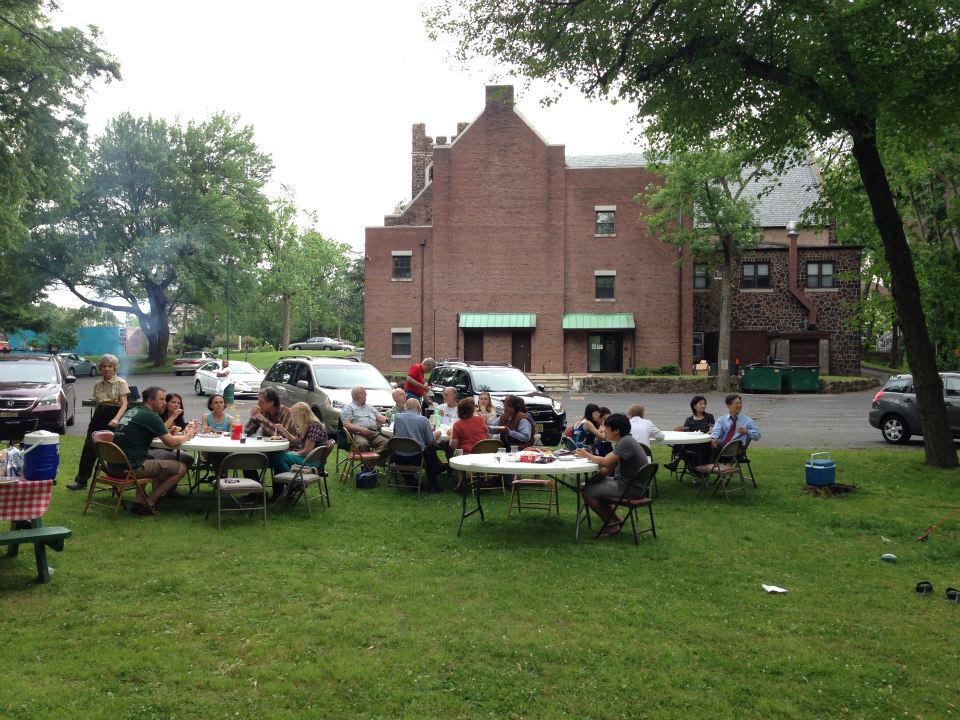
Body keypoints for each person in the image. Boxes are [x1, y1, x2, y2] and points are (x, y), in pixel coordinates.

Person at [110, 386, 197, 514]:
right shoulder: (150, 416)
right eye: (161, 399)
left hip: (113, 465)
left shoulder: (133, 411)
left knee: (152, 458)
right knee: (181, 467)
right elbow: (171, 443)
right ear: (150, 400)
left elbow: (148, 433)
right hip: (131, 467)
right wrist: (189, 435)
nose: (165, 403)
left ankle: (138, 503)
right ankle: (149, 503)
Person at [575, 413, 649, 537]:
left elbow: (606, 462)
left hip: (630, 488)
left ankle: (611, 525)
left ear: (617, 430)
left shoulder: (625, 443)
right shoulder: (626, 441)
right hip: (630, 485)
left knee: (587, 493)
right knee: (591, 488)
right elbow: (608, 469)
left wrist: (588, 456)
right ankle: (616, 521)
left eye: (607, 428)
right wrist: (591, 482)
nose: (604, 430)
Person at [67, 354, 129, 491]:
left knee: (113, 449)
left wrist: (116, 419)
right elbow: (98, 402)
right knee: (89, 447)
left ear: (115, 368)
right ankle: (81, 481)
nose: (107, 369)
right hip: (99, 414)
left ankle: (116, 479)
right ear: (101, 368)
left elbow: (124, 404)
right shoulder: (97, 384)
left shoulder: (121, 383)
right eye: (104, 366)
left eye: (110, 366)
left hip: (114, 414)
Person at [392, 397, 444, 491]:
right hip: (416, 458)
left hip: (398, 456)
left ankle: (411, 480)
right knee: (430, 451)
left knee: (427, 451)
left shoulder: (397, 417)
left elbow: (395, 434)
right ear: (419, 408)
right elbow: (429, 441)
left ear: (405, 407)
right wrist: (437, 435)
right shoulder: (423, 420)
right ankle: (433, 484)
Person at [269, 402, 329, 475]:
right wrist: (283, 430)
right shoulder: (308, 425)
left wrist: (293, 453)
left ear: (301, 416)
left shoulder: (314, 427)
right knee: (278, 457)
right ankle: (287, 482)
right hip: (309, 459)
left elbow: (306, 451)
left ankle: (291, 481)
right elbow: (295, 441)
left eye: (294, 416)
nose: (293, 419)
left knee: (279, 457)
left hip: (313, 462)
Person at [665, 395, 715, 471]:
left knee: (684, 448)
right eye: (700, 403)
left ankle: (677, 461)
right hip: (691, 443)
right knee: (679, 444)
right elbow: (686, 433)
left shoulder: (709, 417)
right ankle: (691, 467)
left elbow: (711, 430)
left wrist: (701, 436)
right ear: (694, 406)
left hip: (704, 443)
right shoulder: (689, 420)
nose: (703, 405)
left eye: (704, 404)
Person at [148, 392, 195, 473]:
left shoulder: (178, 419)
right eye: (173, 402)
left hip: (171, 448)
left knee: (189, 459)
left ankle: (173, 480)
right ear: (166, 404)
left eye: (179, 403)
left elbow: (184, 432)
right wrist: (173, 416)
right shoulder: (159, 417)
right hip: (157, 448)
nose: (176, 405)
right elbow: (160, 430)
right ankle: (168, 476)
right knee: (177, 459)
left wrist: (189, 428)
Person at [340, 385, 389, 455]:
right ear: (357, 396)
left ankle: (370, 463)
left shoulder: (369, 406)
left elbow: (380, 417)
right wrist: (361, 429)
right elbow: (346, 424)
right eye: (364, 393)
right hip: (358, 434)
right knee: (362, 444)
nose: (366, 394)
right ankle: (370, 464)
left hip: (374, 433)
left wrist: (390, 421)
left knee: (387, 443)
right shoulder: (348, 408)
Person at [710, 394, 761, 459]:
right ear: (728, 405)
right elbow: (715, 433)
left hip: (737, 449)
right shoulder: (722, 419)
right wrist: (713, 441)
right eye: (736, 403)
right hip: (722, 447)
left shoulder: (747, 421)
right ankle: (702, 467)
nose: (739, 405)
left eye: (740, 403)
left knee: (710, 448)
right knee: (708, 445)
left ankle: (706, 467)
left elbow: (758, 436)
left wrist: (747, 431)